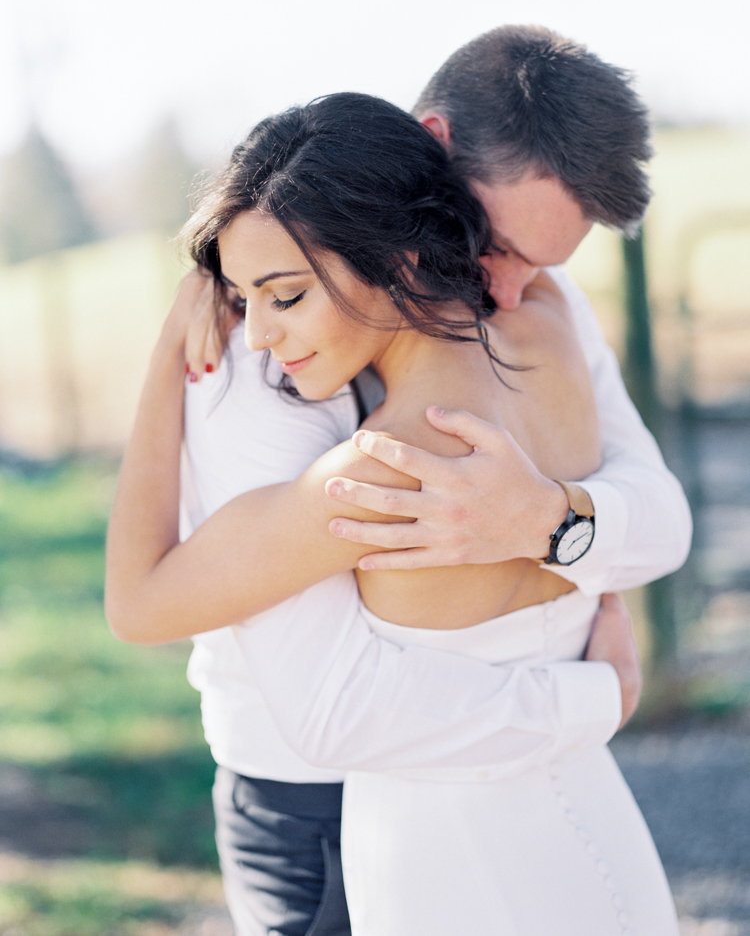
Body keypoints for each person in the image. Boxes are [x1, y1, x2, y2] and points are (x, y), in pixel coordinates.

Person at [107, 91, 680, 934]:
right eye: (240, 295)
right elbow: (658, 523)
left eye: (284, 296)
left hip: (423, 854)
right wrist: (598, 688)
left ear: (400, 257)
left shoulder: (381, 471)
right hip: (588, 823)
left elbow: (138, 604)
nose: (253, 334)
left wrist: (555, 532)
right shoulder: (550, 327)